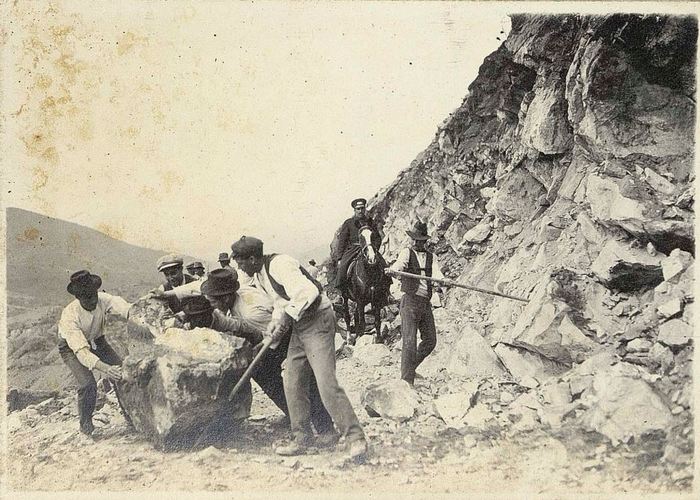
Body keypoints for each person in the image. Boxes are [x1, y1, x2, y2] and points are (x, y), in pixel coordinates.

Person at [154, 268, 336, 442]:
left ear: (225, 297)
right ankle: (292, 414)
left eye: (213, 302)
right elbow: (200, 289)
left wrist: (252, 352)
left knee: (301, 376)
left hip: (290, 333)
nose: (212, 305)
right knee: (262, 372)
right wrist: (170, 297)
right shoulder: (235, 291)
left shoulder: (250, 312)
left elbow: (269, 336)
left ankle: (325, 428)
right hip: (269, 332)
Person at [231, 236, 368, 460]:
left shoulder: (279, 264)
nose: (239, 267)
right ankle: (301, 437)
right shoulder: (260, 274)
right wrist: (276, 323)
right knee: (292, 381)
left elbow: (307, 292)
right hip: (298, 326)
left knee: (326, 383)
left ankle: (355, 438)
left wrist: (286, 315)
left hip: (318, 321)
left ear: (253, 258)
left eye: (241, 262)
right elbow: (279, 303)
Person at [57, 270, 147, 436]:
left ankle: (132, 417)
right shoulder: (70, 316)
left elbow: (125, 308)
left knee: (122, 374)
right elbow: (82, 352)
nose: (92, 300)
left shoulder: (103, 299)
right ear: (78, 298)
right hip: (72, 348)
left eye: (94, 295)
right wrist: (106, 368)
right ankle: (86, 426)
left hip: (98, 341)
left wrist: (140, 317)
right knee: (87, 384)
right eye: (87, 297)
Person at [387, 220, 444, 385]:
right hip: (410, 302)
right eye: (414, 239)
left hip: (425, 304)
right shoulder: (406, 253)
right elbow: (399, 265)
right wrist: (394, 270)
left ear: (425, 241)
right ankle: (407, 381)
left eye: (420, 240)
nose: (416, 242)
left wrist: (443, 280)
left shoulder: (431, 257)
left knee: (430, 341)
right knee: (409, 342)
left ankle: (409, 369)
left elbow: (437, 273)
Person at [333, 198, 383, 294]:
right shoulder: (348, 223)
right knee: (343, 267)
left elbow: (377, 238)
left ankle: (386, 293)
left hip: (369, 248)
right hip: (354, 249)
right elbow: (342, 241)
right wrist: (340, 258)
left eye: (362, 208)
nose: (360, 211)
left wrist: (374, 248)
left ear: (365, 209)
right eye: (358, 209)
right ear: (354, 210)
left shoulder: (370, 222)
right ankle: (341, 296)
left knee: (383, 265)